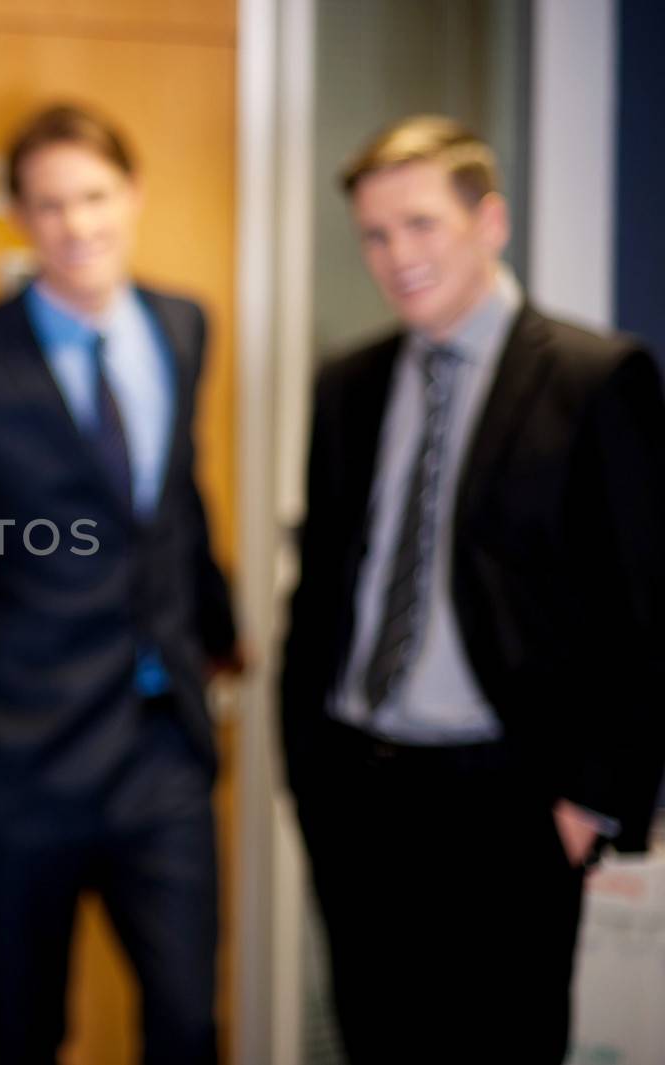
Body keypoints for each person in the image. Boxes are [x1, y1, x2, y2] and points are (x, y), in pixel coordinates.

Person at [280, 115, 665, 1064]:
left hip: (510, 799)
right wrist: (308, 763)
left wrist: (593, 798)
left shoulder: (594, 377)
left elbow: (644, 608)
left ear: (488, 221)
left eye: (420, 225)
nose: (395, 255)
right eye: (376, 234)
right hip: (359, 786)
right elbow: (329, 580)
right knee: (377, 1037)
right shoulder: (349, 384)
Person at [0, 103, 241, 1065]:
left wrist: (221, 632)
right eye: (49, 206)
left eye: (93, 197)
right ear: (18, 216)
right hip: (19, 762)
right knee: (26, 1032)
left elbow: (176, 499)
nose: (76, 225)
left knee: (187, 1024)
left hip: (160, 750)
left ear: (131, 194)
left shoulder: (183, 324)